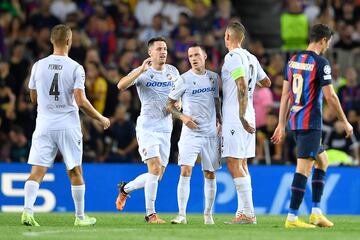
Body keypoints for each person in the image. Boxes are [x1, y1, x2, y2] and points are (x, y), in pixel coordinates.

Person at [21, 24, 110, 227]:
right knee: (75, 171)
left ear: (52, 41)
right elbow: (80, 101)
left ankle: (27, 212)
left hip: (44, 123)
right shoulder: (76, 68)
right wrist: (101, 118)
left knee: (37, 171)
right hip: (68, 124)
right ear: (69, 41)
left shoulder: (38, 65)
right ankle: (80, 218)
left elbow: (33, 98)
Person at [271, 23, 353, 228]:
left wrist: (281, 124)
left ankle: (316, 212)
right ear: (324, 40)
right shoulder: (321, 62)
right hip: (311, 122)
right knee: (303, 169)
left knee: (322, 161)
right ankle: (291, 218)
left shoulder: (293, 60)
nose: (327, 46)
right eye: (328, 42)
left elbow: (285, 94)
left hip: (295, 121)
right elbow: (331, 97)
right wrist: (345, 121)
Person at [116, 37, 181, 224]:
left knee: (157, 176)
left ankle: (125, 189)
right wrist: (139, 70)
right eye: (159, 49)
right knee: (153, 169)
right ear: (150, 53)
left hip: (166, 129)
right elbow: (120, 85)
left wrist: (180, 104)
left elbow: (179, 95)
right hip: (147, 128)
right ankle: (150, 214)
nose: (163, 52)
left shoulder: (173, 72)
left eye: (165, 49)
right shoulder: (143, 73)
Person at [221, 21, 271, 224]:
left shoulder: (232, 57)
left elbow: (241, 85)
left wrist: (240, 115)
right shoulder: (251, 57)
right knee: (242, 163)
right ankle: (243, 212)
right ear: (242, 38)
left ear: (227, 37)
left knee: (233, 162)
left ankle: (249, 213)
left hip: (237, 115)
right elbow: (266, 82)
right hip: (250, 113)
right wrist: (254, 80)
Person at [166, 44, 221, 225]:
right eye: (190, 56)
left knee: (210, 173)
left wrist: (219, 120)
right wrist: (183, 117)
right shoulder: (183, 80)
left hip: (211, 133)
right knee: (185, 170)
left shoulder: (214, 78)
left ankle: (208, 215)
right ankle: (182, 215)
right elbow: (168, 105)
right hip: (191, 133)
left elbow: (216, 101)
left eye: (197, 54)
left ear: (205, 56)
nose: (193, 58)